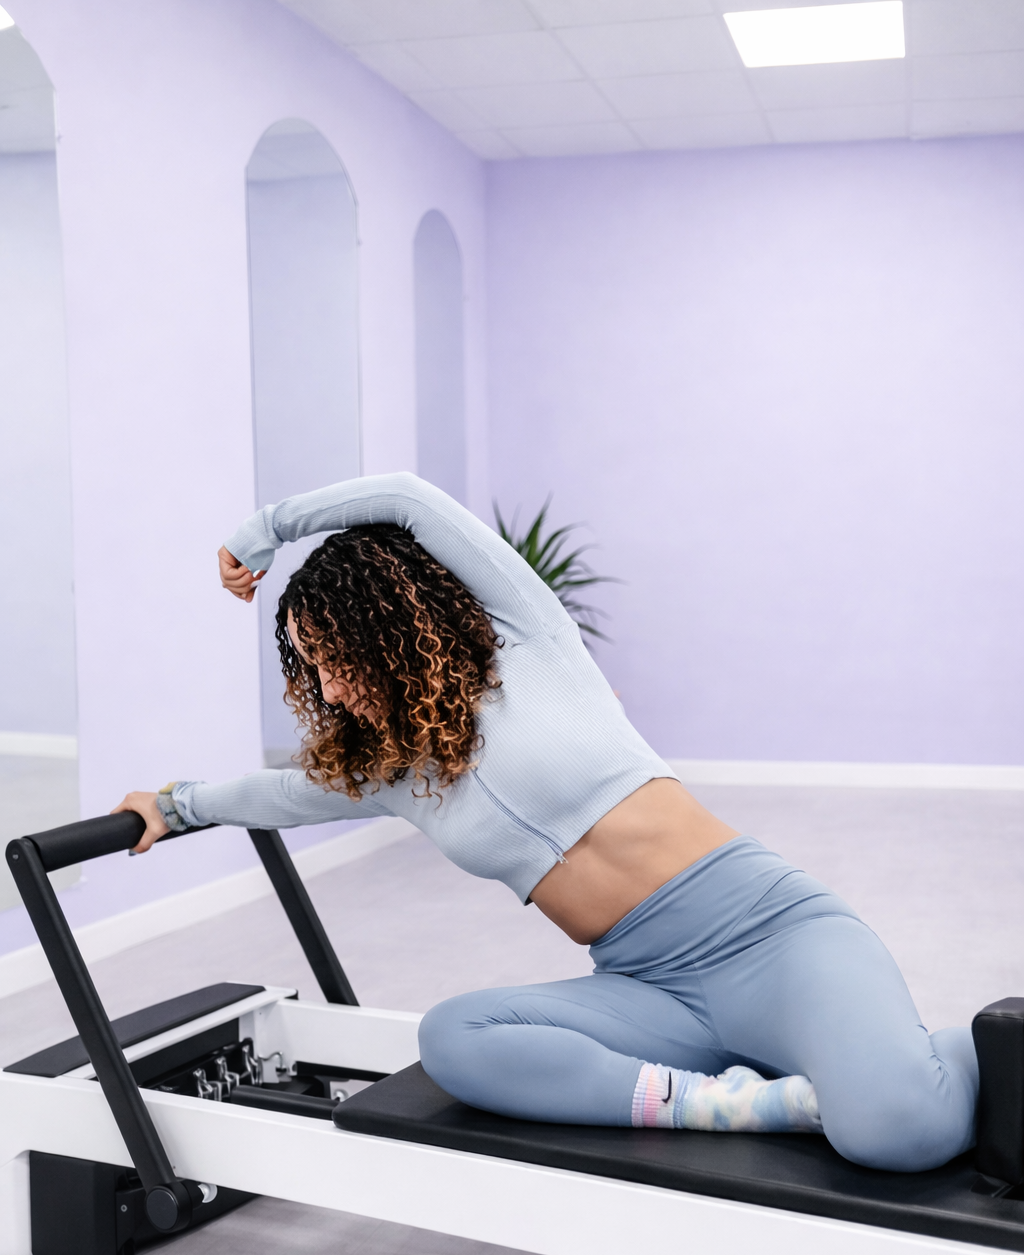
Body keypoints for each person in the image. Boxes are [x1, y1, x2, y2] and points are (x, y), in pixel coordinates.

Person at [115, 472, 978, 1172]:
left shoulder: (529, 643)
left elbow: (407, 500)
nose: (330, 688)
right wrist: (174, 805)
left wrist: (265, 528)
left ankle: (965, 1049)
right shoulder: (390, 772)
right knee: (455, 1037)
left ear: (394, 630)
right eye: (313, 668)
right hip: (647, 989)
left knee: (900, 1134)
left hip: (768, 938)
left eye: (338, 657)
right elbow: (276, 796)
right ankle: (736, 1104)